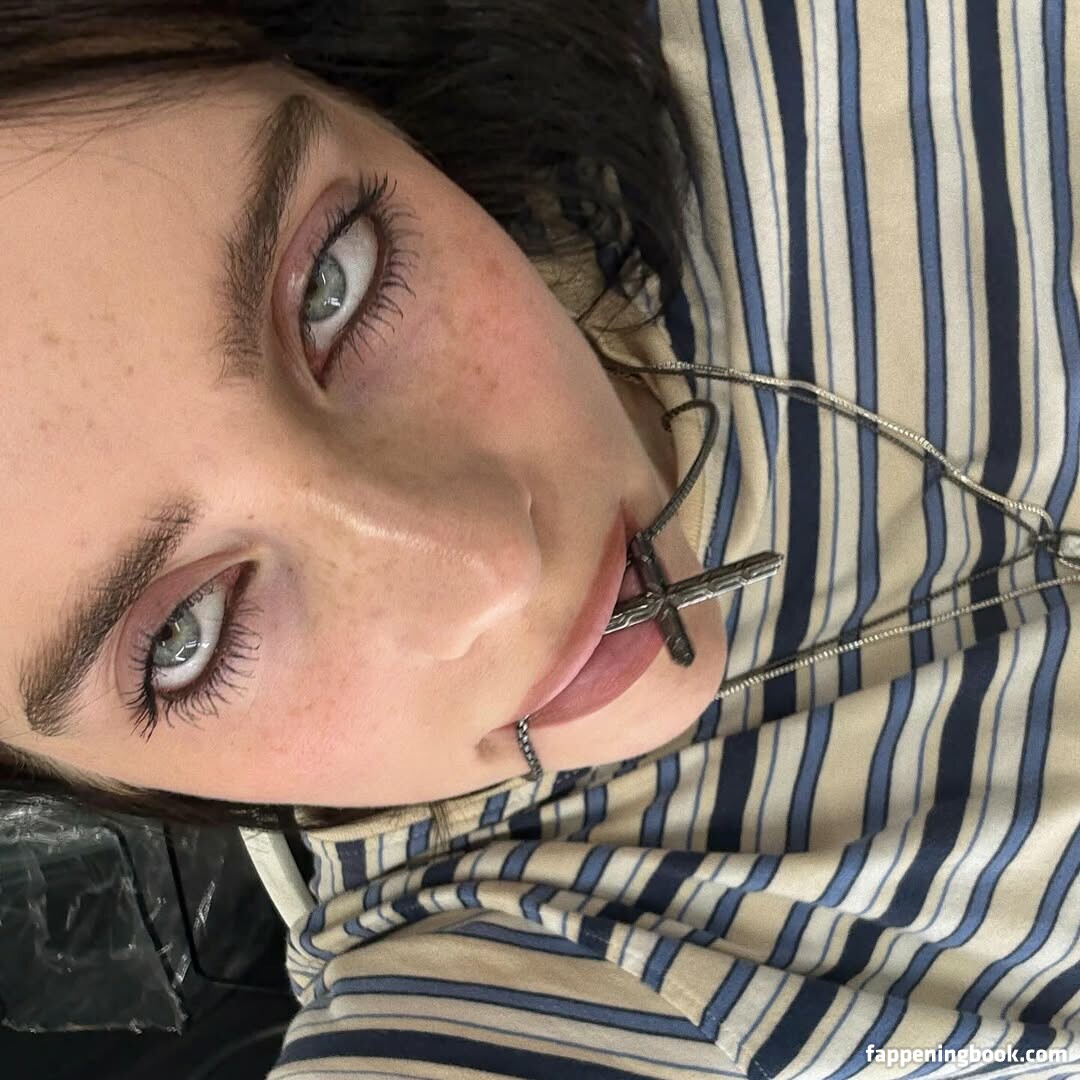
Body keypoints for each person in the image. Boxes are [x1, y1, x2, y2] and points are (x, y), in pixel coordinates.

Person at [0, 2, 1077, 1077]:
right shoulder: (505, 954)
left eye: (335, 283)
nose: (493, 572)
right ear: (92, 786)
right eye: (187, 634)